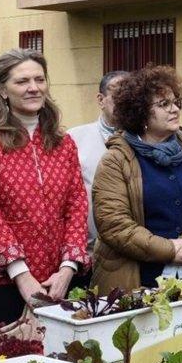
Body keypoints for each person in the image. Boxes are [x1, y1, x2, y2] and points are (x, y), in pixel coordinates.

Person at [0, 49, 90, 335]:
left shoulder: (62, 142)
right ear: (1, 89)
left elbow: (77, 206)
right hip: (1, 285)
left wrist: (68, 268)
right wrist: (22, 275)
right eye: (22, 81)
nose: (33, 88)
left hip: (60, 280)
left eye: (39, 79)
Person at [91, 65, 182, 294]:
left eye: (176, 102)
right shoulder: (115, 159)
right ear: (140, 112)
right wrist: (169, 250)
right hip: (133, 280)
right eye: (164, 104)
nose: (174, 109)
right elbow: (113, 223)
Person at [67, 70, 128, 282]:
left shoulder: (147, 140)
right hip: (83, 253)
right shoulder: (74, 139)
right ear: (101, 99)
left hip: (131, 254)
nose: (125, 99)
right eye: (118, 92)